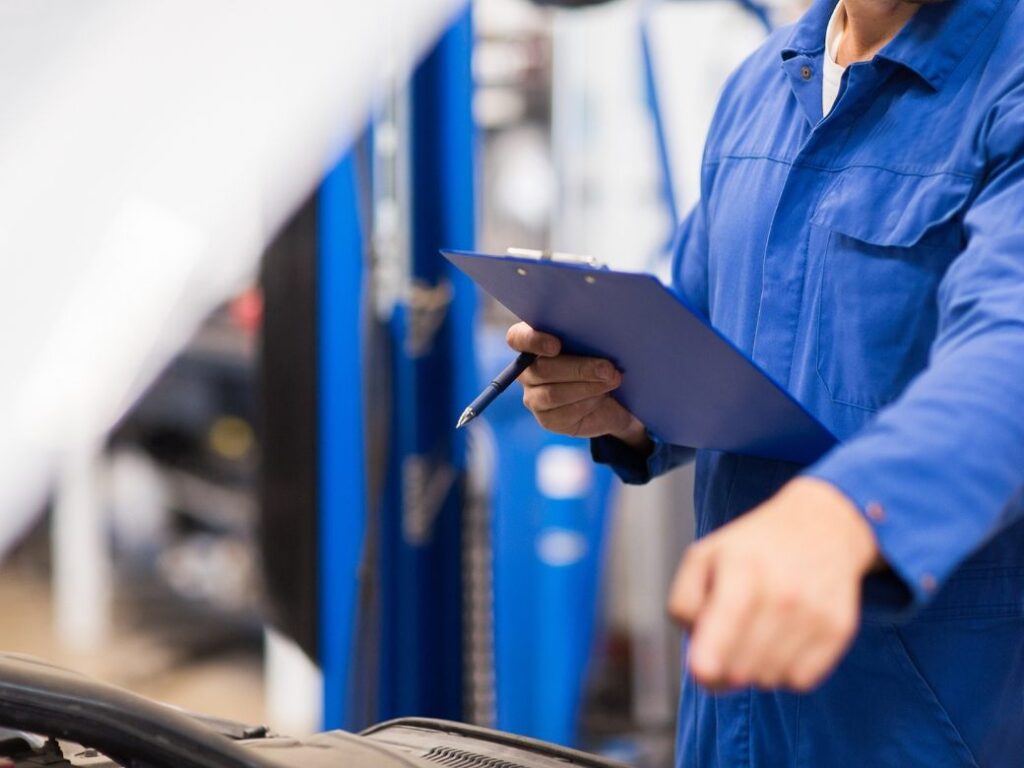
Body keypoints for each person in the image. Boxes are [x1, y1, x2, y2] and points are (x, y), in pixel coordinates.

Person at [507, 0, 1024, 765]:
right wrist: (610, 395)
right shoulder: (764, 84)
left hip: (921, 720)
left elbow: (1008, 354)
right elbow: (707, 322)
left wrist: (849, 514)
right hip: (730, 715)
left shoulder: (1005, 80)